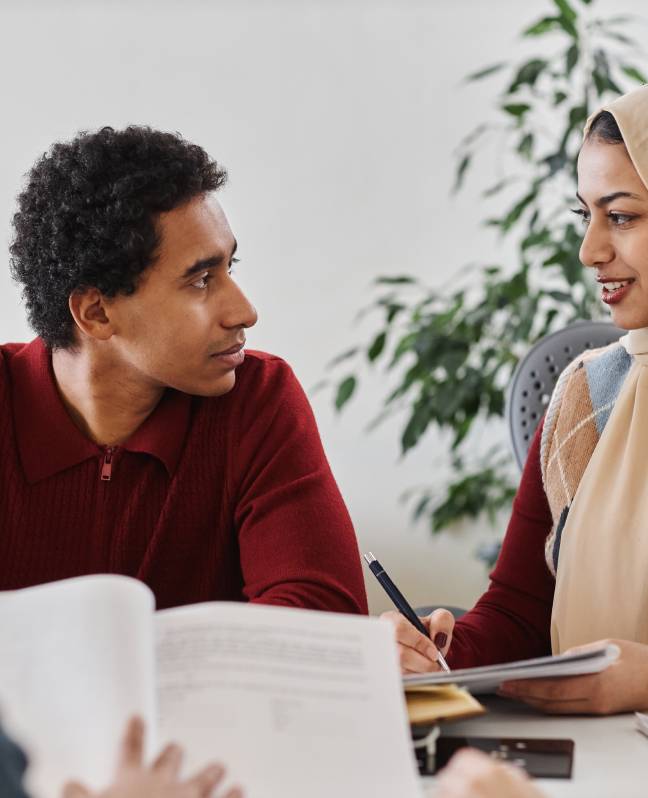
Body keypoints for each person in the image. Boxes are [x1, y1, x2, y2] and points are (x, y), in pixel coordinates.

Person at [0, 126, 367, 615]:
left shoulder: (258, 399)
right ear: (96, 313)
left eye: (229, 269)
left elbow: (323, 626)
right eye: (200, 280)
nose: (244, 311)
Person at [385, 84, 648, 715]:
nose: (590, 252)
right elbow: (522, 610)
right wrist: (442, 653)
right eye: (586, 216)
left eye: (623, 216)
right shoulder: (585, 394)